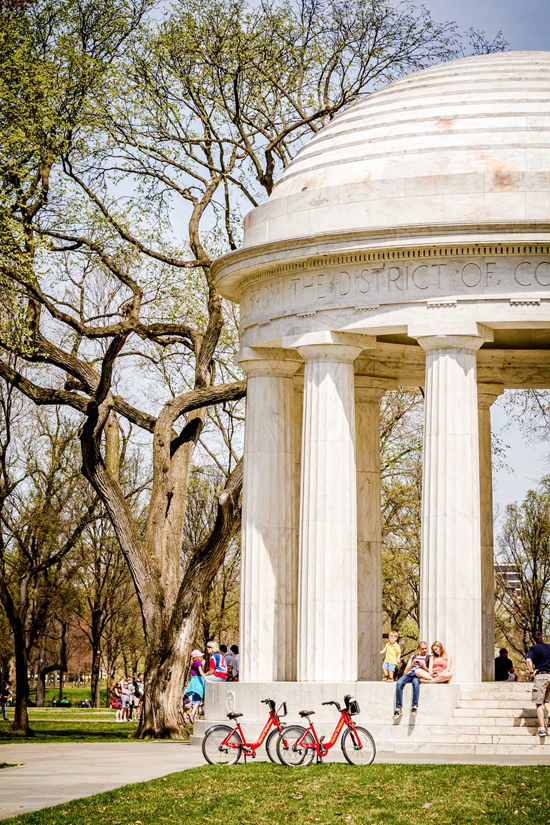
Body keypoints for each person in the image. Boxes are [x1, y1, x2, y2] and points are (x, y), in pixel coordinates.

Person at [393, 641, 431, 718]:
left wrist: (423, 666)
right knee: (399, 683)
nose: (424, 650)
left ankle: (414, 706)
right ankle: (398, 708)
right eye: (422, 649)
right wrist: (412, 665)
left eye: (425, 648)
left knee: (415, 683)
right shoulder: (413, 657)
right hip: (410, 674)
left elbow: (430, 671)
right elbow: (405, 671)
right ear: (419, 649)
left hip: (419, 675)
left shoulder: (429, 658)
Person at [526, 630, 550, 737]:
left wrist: (532, 672)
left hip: (541, 676)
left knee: (539, 703)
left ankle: (542, 729)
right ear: (543, 638)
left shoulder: (533, 648)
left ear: (533, 640)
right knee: (547, 701)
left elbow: (528, 661)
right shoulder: (549, 647)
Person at [184, 650, 205, 722]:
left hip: (194, 680)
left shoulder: (193, 663)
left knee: (195, 698)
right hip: (198, 681)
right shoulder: (198, 662)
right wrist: (206, 679)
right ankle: (192, 713)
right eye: (200, 655)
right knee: (199, 698)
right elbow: (201, 672)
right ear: (196, 657)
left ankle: (194, 715)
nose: (201, 656)